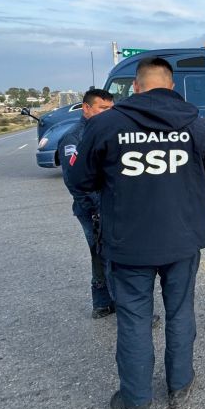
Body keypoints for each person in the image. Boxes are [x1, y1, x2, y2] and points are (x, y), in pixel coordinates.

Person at [67, 57, 205, 409]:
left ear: (135, 87)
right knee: (180, 311)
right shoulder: (193, 124)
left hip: (128, 242)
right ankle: (180, 384)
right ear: (171, 88)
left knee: (135, 319)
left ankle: (136, 400)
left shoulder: (105, 124)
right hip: (182, 240)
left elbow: (80, 180)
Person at [60, 88, 115, 319]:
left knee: (103, 256)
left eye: (111, 110)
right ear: (86, 108)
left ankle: (103, 303)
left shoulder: (107, 131)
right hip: (93, 210)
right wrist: (96, 210)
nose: (107, 114)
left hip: (109, 208)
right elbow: (74, 181)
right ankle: (120, 306)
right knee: (107, 257)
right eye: (103, 109)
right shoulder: (74, 138)